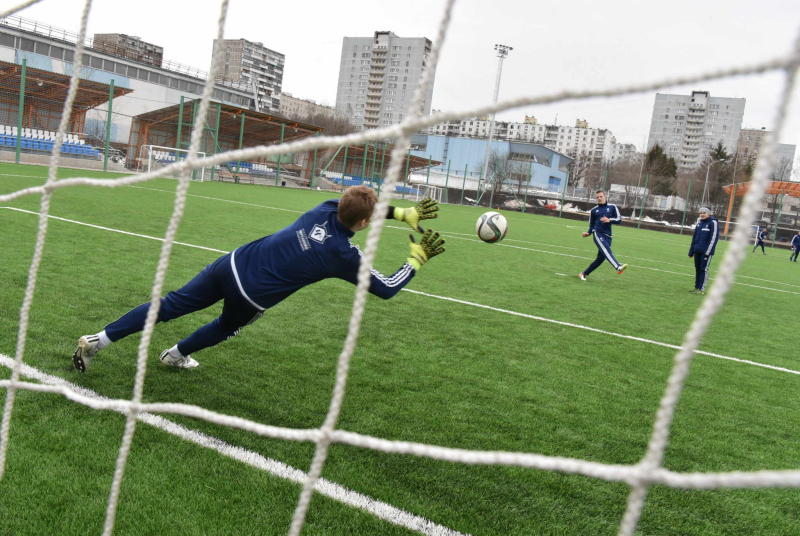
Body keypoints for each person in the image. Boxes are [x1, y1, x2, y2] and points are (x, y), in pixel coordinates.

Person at [72, 186, 445, 372]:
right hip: (251, 296)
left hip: (230, 264)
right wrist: (416, 258)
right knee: (224, 326)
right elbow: (386, 288)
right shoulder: (342, 255)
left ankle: (99, 339)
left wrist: (401, 213)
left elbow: (354, 208)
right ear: (363, 224)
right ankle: (176, 356)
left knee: (169, 305)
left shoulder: (324, 209)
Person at [578, 189, 628, 280]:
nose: (599, 198)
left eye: (601, 196)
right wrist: (588, 233)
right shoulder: (594, 210)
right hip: (598, 234)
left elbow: (619, 220)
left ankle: (583, 273)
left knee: (600, 259)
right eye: (597, 197)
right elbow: (592, 225)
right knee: (606, 250)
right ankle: (618, 266)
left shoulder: (612, 207)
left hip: (608, 236)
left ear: (605, 196)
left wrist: (610, 220)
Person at [688, 206, 720, 294]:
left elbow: (714, 238)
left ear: (709, 213)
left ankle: (701, 289)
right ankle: (696, 287)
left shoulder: (713, 222)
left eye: (704, 213)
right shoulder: (699, 223)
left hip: (706, 252)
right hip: (697, 251)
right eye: (701, 213)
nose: (702, 214)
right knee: (697, 268)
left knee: (703, 269)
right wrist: (691, 251)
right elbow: (694, 238)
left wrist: (708, 252)